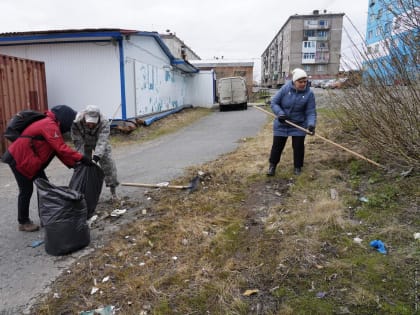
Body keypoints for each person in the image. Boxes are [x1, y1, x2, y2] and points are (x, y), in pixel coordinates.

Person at [1, 105, 94, 232]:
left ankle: (47, 217)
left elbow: (58, 151)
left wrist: (75, 164)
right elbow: (61, 148)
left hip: (31, 160)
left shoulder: (51, 125)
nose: (71, 125)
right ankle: (23, 222)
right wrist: (81, 158)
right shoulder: (49, 124)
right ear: (65, 118)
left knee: (45, 188)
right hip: (20, 159)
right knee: (26, 190)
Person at [266, 68, 317, 176]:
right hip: (282, 122)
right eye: (300, 81)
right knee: (277, 146)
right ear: (294, 81)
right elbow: (274, 103)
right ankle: (272, 166)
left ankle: (297, 167)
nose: (303, 84)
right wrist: (280, 113)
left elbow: (310, 111)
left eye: (305, 81)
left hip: (298, 125)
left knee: (298, 146)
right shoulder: (285, 89)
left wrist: (311, 124)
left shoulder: (309, 94)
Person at [71, 105, 119, 200]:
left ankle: (113, 193)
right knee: (83, 166)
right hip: (84, 143)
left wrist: (96, 157)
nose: (91, 125)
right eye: (89, 122)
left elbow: (102, 140)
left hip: (99, 142)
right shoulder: (77, 121)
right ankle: (83, 193)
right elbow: (78, 142)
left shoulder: (104, 122)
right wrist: (82, 158)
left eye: (93, 122)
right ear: (85, 116)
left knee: (109, 165)